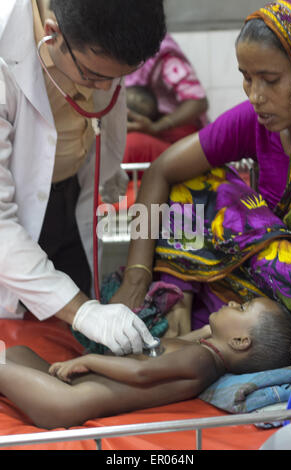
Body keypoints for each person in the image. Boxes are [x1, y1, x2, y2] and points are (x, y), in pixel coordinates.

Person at [110, 0, 291, 332]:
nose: (255, 95)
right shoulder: (253, 120)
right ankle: (180, 295)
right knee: (194, 180)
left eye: (270, 80)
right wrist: (137, 273)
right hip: (257, 279)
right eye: (247, 78)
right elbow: (160, 170)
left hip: (288, 283)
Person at [0, 0, 167, 356]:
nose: (104, 89)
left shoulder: (101, 38)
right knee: (20, 350)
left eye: (118, 76)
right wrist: (83, 311)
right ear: (51, 34)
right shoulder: (5, 48)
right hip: (10, 219)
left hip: (67, 198)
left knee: (72, 347)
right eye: (92, 76)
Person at [0, 297, 291, 429]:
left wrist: (90, 360)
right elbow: (176, 347)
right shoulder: (204, 353)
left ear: (241, 342)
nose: (232, 303)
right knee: (17, 353)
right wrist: (208, 330)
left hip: (65, 401)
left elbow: (142, 372)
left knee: (5, 364)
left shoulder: (201, 360)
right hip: (67, 390)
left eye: (242, 307)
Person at [123, 33, 209, 166]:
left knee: (131, 146)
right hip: (142, 130)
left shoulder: (162, 54)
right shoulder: (116, 53)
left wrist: (157, 127)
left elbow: (198, 102)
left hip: (175, 138)